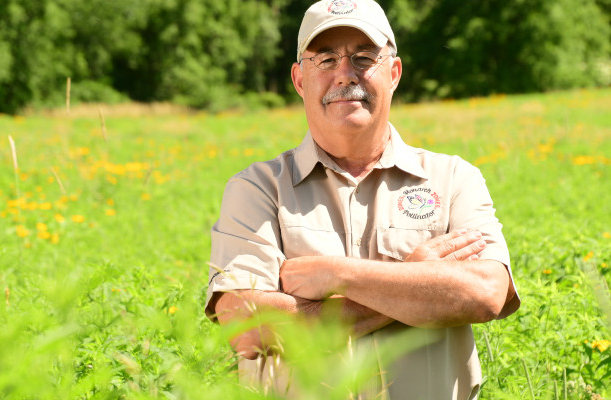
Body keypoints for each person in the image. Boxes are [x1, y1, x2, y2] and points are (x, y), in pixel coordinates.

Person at [204, 0, 520, 398]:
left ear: (394, 73)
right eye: (325, 59)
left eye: (363, 57)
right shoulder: (258, 188)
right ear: (299, 79)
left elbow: (485, 292)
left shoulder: (454, 178)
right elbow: (246, 325)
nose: (344, 74)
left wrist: (337, 276)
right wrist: (416, 279)